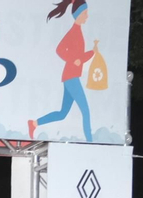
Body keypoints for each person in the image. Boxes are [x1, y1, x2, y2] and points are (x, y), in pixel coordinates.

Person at [28, 0, 96, 142]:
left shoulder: (78, 31)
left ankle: (34, 123)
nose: (87, 16)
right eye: (85, 13)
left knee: (62, 113)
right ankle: (90, 142)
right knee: (86, 110)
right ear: (78, 14)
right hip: (71, 77)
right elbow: (60, 50)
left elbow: (79, 57)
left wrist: (91, 53)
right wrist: (73, 59)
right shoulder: (73, 32)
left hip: (70, 77)